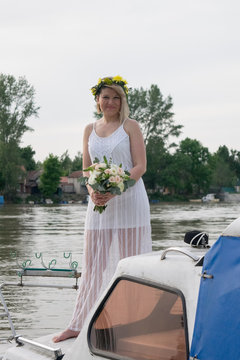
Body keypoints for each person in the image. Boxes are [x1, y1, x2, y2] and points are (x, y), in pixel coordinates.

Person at [53, 75, 152, 343]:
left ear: (122, 101)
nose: (110, 102)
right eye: (105, 97)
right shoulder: (89, 129)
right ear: (97, 100)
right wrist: (93, 191)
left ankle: (134, 324)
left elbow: (140, 167)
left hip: (130, 203)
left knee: (132, 265)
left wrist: (115, 189)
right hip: (99, 206)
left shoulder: (130, 126)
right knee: (93, 265)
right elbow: (87, 171)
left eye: (115, 97)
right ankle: (77, 324)